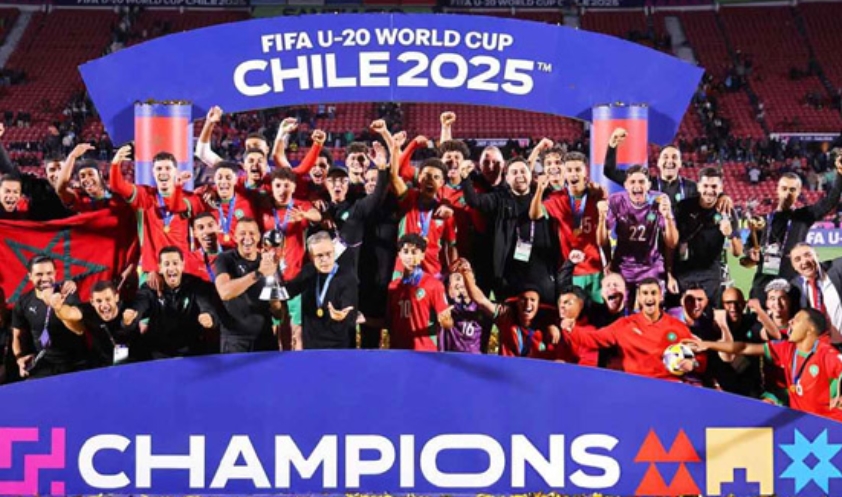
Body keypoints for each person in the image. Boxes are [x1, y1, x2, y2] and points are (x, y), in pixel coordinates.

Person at [690, 309, 842, 422]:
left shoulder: (825, 353)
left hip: (831, 426)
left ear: (810, 330)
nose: (790, 322)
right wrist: (708, 345)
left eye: (796, 320)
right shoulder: (787, 349)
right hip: (805, 423)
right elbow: (744, 348)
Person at [565, 278, 706, 382]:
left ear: (660, 297)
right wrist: (571, 329)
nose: (649, 298)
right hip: (635, 386)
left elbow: (700, 357)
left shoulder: (677, 327)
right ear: (639, 298)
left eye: (653, 293)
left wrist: (693, 364)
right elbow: (593, 339)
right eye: (645, 293)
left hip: (668, 386)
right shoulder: (624, 325)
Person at [745, 154, 842, 299]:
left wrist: (840, 174)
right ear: (777, 190)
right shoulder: (763, 220)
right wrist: (750, 252)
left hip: (793, 283)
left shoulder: (804, 216)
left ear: (798, 192)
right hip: (763, 283)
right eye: (784, 188)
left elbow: (830, 201)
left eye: (792, 189)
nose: (787, 193)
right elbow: (748, 245)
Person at [463, 157, 557, 303]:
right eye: (514, 172)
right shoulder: (499, 199)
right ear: (506, 178)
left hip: (540, 269)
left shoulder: (544, 196)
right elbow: (474, 201)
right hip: (510, 272)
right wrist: (465, 178)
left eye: (523, 171)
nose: (519, 175)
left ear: (530, 175)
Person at [109, 145, 197, 289]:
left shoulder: (188, 197)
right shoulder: (144, 195)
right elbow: (117, 185)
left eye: (168, 168)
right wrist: (115, 164)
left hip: (182, 269)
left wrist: (178, 187)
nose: (163, 172)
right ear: (153, 172)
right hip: (152, 271)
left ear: (175, 171)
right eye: (159, 169)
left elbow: (175, 206)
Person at [531, 151, 606, 303]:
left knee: (598, 314)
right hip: (571, 270)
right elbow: (534, 215)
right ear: (564, 173)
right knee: (572, 314)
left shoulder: (596, 196)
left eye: (578, 169)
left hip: (595, 268)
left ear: (586, 172)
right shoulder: (556, 199)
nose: (573, 174)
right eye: (569, 170)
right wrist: (539, 190)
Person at [597, 165, 678, 300]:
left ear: (649, 185)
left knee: (651, 307)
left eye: (641, 182)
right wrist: (601, 218)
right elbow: (601, 241)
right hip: (623, 266)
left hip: (650, 266)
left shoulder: (659, 200)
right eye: (632, 182)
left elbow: (672, 243)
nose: (637, 186)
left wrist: (668, 217)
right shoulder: (616, 200)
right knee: (620, 308)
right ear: (626, 185)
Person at [123, 247, 217, 359]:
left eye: (175, 263)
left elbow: (206, 305)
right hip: (158, 354)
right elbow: (139, 305)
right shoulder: (150, 288)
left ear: (182, 265)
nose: (171, 268)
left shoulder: (195, 284)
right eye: (167, 264)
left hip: (191, 353)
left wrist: (209, 317)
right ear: (160, 268)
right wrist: (130, 318)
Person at [214, 218, 285, 353]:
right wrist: (258, 273)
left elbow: (279, 315)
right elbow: (224, 292)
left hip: (265, 339)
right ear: (235, 237)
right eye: (242, 233)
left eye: (252, 233)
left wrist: (275, 303)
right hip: (235, 341)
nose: (247, 238)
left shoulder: (268, 262)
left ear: (259, 237)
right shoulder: (225, 259)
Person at [672, 167, 742, 304]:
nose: (709, 190)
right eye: (705, 186)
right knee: (680, 310)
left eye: (714, 186)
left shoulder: (727, 211)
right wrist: (670, 273)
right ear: (698, 187)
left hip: (710, 274)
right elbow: (670, 243)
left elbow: (737, 252)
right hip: (683, 271)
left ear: (721, 188)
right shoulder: (684, 207)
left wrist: (730, 234)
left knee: (711, 313)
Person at [11, 256, 87, 379]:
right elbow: (17, 336)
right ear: (30, 276)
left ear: (55, 273)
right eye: (39, 274)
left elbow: (79, 329)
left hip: (75, 363)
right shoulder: (23, 301)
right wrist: (19, 358)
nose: (45, 278)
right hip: (43, 365)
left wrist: (58, 308)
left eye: (49, 273)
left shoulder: (67, 291)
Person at [285, 231, 359, 349]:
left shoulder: (346, 277)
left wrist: (341, 316)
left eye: (329, 254)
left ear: (334, 251)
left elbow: (350, 309)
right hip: (312, 345)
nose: (325, 259)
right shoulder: (308, 272)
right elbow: (288, 291)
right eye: (319, 255)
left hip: (339, 346)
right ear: (311, 256)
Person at [387, 234, 452, 351]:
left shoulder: (433, 284)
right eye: (405, 252)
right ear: (399, 255)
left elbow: (448, 323)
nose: (409, 256)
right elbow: (389, 322)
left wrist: (446, 322)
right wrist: (365, 320)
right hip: (397, 350)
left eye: (414, 252)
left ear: (422, 255)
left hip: (424, 351)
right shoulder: (393, 286)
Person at [0, 123, 72, 220]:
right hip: (39, 229)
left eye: (61, 169)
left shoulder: (80, 191)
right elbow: (10, 171)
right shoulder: (37, 187)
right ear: (46, 172)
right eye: (52, 170)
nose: (56, 174)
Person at [605, 128, 697, 204]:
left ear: (680, 163)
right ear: (658, 162)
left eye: (674, 157)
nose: (670, 161)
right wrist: (612, 146)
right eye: (665, 157)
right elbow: (610, 172)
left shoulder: (691, 187)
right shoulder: (645, 182)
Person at [789, 242, 842, 343]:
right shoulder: (794, 288)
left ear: (817, 255)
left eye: (808, 255)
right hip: (819, 346)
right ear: (794, 266)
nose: (804, 261)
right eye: (797, 259)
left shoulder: (837, 268)